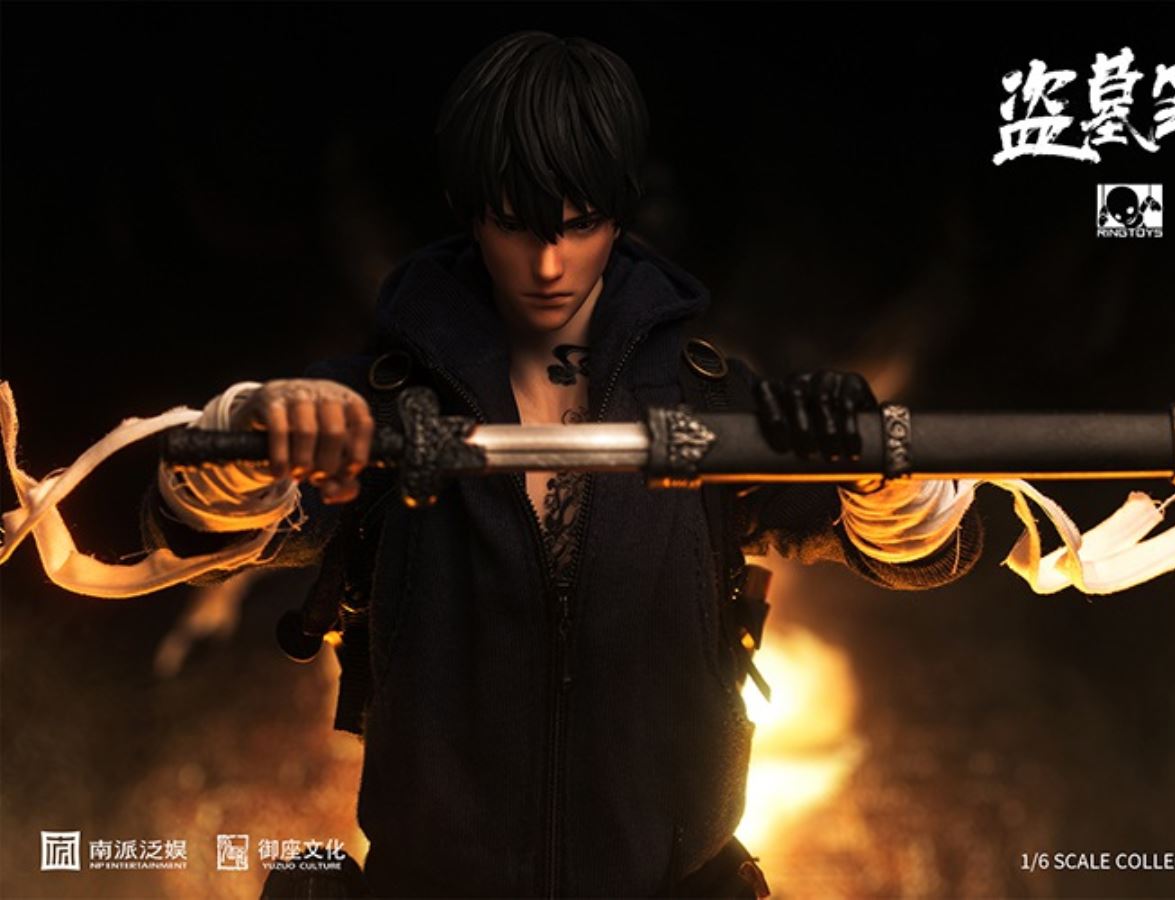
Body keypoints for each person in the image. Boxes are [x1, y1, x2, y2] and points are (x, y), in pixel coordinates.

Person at [142, 31, 982, 899]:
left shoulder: (710, 406)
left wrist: (879, 462)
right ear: (470, 207)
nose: (548, 264)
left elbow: (916, 551)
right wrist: (253, 437)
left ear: (620, 211)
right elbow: (189, 531)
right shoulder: (377, 407)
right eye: (517, 223)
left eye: (579, 226)